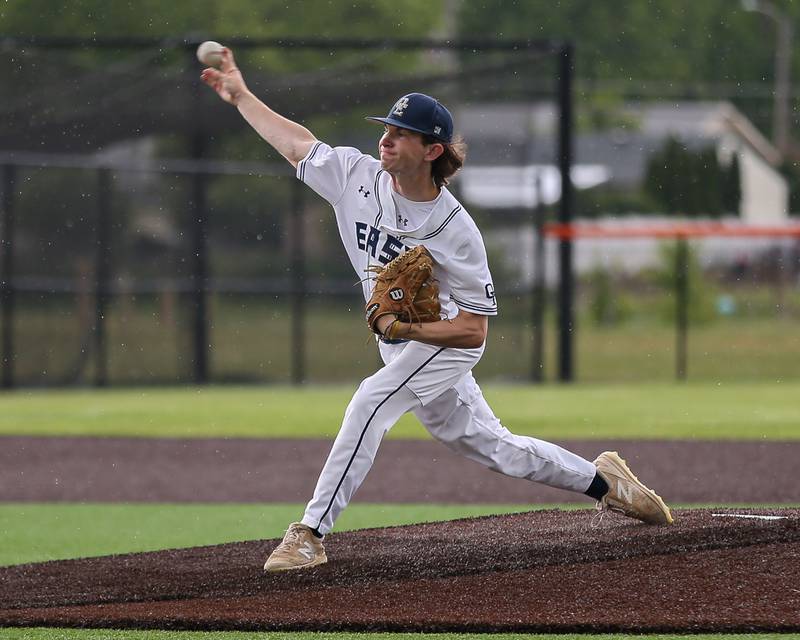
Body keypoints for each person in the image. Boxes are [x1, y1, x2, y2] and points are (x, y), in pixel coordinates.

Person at [201, 48, 673, 572]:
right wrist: (241, 96)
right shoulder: (356, 177)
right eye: (386, 129)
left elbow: (473, 331)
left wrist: (405, 326)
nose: (386, 138)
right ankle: (605, 481)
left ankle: (310, 533)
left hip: (443, 342)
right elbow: (296, 145)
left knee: (370, 403)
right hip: (397, 340)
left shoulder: (455, 230)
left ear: (432, 150)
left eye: (400, 133)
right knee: (491, 446)